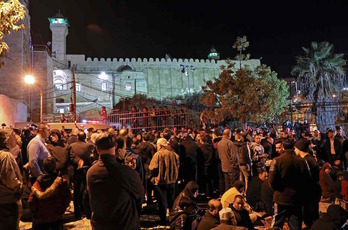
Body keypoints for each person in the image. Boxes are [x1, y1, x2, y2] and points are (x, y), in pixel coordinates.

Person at [87, 132, 144, 229]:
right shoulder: (125, 171)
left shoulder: (91, 172)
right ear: (116, 146)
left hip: (101, 224)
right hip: (123, 224)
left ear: (97, 149)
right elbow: (140, 192)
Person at [268, 138, 311, 230]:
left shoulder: (276, 160)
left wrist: (277, 190)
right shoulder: (302, 161)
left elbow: (271, 181)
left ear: (283, 147)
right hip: (296, 198)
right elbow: (308, 179)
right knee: (295, 225)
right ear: (294, 147)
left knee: (276, 224)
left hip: (280, 197)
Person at [28, 157, 71, 230]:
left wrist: (36, 213)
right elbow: (67, 197)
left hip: (41, 219)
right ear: (54, 167)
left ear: (44, 168)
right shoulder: (61, 182)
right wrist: (62, 209)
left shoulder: (37, 184)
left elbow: (31, 201)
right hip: (57, 217)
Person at [149, 138, 180, 225]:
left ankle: (163, 221)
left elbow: (152, 168)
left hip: (160, 182)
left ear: (160, 146)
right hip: (172, 182)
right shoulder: (175, 155)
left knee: (162, 203)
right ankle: (172, 218)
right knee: (171, 202)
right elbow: (177, 167)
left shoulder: (158, 155)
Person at [0, 128, 23, 230]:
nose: (16, 138)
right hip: (7, 201)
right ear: (7, 139)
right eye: (13, 136)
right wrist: (19, 185)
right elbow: (10, 179)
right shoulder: (6, 156)